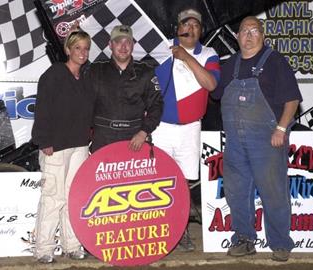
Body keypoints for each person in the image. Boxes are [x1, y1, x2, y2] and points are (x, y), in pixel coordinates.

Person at [215, 16, 302, 261]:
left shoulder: (275, 61)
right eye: (244, 31)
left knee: (273, 192)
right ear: (237, 36)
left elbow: (292, 100)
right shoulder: (230, 63)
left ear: (263, 36)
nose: (249, 35)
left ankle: (281, 243)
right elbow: (213, 89)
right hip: (234, 142)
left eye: (255, 31)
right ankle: (244, 239)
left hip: (268, 139)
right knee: (236, 192)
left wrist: (282, 129)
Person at [153, 8, 220, 251]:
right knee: (159, 180)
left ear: (201, 30)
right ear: (177, 27)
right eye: (185, 24)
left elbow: (211, 84)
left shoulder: (209, 53)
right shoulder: (160, 47)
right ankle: (157, 230)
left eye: (195, 25)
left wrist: (185, 57)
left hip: (191, 128)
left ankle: (179, 232)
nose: (190, 29)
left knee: (182, 183)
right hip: (160, 128)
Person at [31, 30, 93, 264]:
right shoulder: (54, 74)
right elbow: (43, 108)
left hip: (79, 145)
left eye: (86, 48)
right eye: (77, 47)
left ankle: (72, 245)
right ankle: (44, 249)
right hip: (55, 146)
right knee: (52, 197)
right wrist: (44, 140)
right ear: (68, 50)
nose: (82, 52)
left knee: (73, 197)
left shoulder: (86, 78)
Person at [88, 25, 163, 153]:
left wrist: (143, 132)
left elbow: (157, 105)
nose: (123, 47)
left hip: (135, 140)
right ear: (110, 45)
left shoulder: (146, 72)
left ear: (133, 45)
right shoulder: (95, 70)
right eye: (118, 42)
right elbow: (81, 101)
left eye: (127, 42)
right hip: (102, 140)